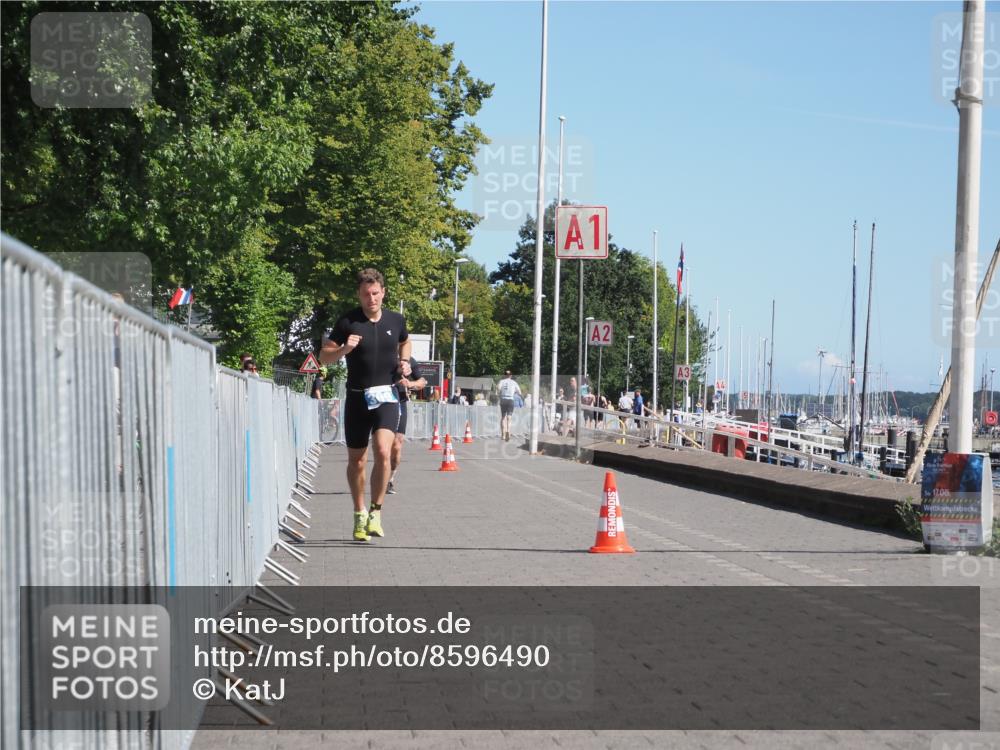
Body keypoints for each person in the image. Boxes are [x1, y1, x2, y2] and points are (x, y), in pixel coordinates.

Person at [320, 268, 410, 542]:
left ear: (383, 293)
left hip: (386, 396)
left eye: (375, 293)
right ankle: (359, 512)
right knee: (357, 461)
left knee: (383, 450)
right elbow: (324, 357)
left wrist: (405, 361)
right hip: (357, 398)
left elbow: (405, 341)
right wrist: (344, 349)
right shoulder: (348, 321)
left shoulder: (396, 320)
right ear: (359, 295)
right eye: (366, 294)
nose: (371, 299)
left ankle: (376, 511)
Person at [388, 356, 426, 496]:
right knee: (381, 444)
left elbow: (422, 381)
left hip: (400, 401)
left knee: (397, 444)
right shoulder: (382, 352)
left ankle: (390, 479)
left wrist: (410, 384)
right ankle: (379, 476)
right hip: (381, 399)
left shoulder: (408, 359)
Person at [497, 369, 522, 441]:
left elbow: (498, 389)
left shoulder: (501, 381)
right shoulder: (514, 382)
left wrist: (500, 393)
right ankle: (508, 431)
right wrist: (515, 393)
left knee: (503, 417)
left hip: (503, 399)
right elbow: (519, 392)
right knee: (509, 417)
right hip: (510, 399)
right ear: (511, 375)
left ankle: (503, 434)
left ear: (505, 375)